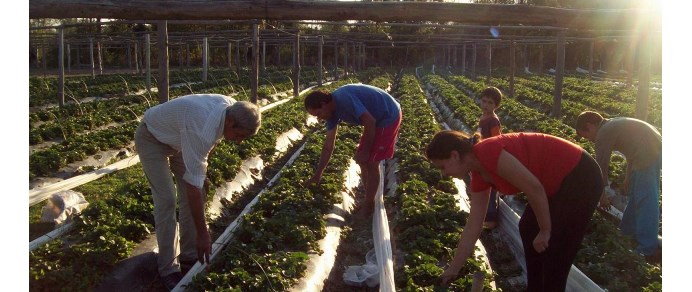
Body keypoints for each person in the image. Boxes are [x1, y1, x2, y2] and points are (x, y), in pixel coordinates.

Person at [425, 130, 603, 291]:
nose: (444, 174)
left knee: (555, 250)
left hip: (580, 175)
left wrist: (545, 230)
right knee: (528, 228)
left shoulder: (488, 152)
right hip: (556, 185)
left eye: (442, 166)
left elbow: (534, 188)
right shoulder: (479, 174)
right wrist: (453, 269)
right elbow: (474, 224)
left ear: (455, 155)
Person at [134, 94, 261, 290]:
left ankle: (190, 255)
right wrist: (203, 234)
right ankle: (167, 268)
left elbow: (210, 146)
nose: (239, 141)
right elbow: (193, 182)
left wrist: (202, 175)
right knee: (167, 198)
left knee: (196, 190)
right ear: (230, 122)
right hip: (152, 137)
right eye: (240, 135)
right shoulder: (201, 128)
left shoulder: (230, 107)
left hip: (181, 138)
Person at [304, 83, 401, 219]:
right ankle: (369, 198)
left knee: (372, 162)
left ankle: (368, 206)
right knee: (362, 161)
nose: (319, 118)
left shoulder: (344, 98)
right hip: (374, 120)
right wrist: (318, 174)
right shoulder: (331, 114)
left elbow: (370, 122)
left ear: (323, 104)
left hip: (388, 115)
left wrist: (366, 151)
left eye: (318, 113)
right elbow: (328, 146)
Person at [575, 111, 662, 259]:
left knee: (645, 199)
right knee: (636, 197)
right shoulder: (612, 125)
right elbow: (630, 150)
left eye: (586, 135)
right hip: (651, 146)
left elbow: (600, 167)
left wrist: (602, 196)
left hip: (648, 151)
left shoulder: (603, 133)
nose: (589, 140)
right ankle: (627, 231)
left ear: (590, 126)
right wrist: (628, 176)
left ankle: (647, 248)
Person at [476, 86, 503, 229]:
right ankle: (484, 216)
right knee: (484, 188)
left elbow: (496, 141)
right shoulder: (483, 118)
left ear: (496, 106)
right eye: (484, 101)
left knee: (491, 190)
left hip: (490, 161)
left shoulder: (493, 121)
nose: (486, 105)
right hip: (482, 159)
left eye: (490, 103)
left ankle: (491, 220)